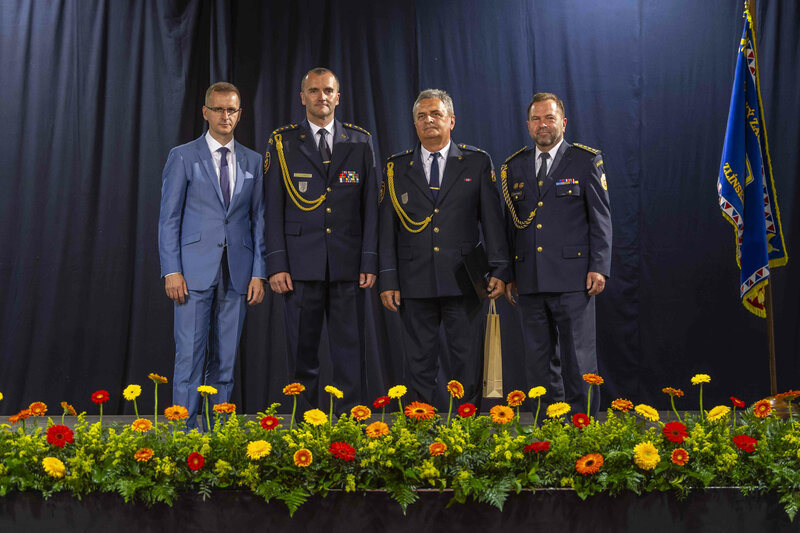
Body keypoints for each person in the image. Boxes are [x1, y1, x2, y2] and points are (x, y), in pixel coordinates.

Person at [378, 89, 510, 411]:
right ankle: (420, 427)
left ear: (451, 120)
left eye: (436, 114)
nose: (429, 120)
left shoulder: (477, 162)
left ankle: (466, 428)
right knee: (418, 362)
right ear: (414, 124)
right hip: (414, 279)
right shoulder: (396, 167)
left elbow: (492, 222)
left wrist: (500, 269)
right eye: (421, 116)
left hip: (465, 278)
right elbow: (386, 230)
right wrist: (388, 279)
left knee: (467, 360)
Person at [264, 67, 378, 415]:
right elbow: (272, 207)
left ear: (338, 97)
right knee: (302, 353)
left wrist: (369, 260)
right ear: (303, 98)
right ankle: (304, 424)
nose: (321, 97)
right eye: (314, 91)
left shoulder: (359, 141)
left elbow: (370, 207)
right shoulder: (282, 142)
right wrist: (277, 263)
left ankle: (351, 423)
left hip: (348, 264)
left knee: (350, 352)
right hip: (300, 265)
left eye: (328, 90)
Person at [159, 82, 266, 429]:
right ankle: (184, 435)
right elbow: (169, 218)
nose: (225, 116)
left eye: (231, 110)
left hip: (238, 271)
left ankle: (220, 436)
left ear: (239, 114)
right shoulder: (183, 156)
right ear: (205, 112)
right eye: (218, 109)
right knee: (189, 358)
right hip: (192, 272)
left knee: (226, 361)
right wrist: (171, 270)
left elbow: (259, 220)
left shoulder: (253, 161)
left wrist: (259, 272)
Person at [502, 92, 612, 419]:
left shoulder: (585, 160)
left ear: (563, 122)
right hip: (530, 279)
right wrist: (508, 274)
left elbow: (601, 219)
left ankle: (582, 426)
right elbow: (510, 226)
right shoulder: (514, 166)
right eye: (536, 119)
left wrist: (599, 267)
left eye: (549, 118)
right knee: (538, 362)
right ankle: (547, 427)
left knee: (579, 360)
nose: (543, 125)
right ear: (528, 125)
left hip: (574, 279)